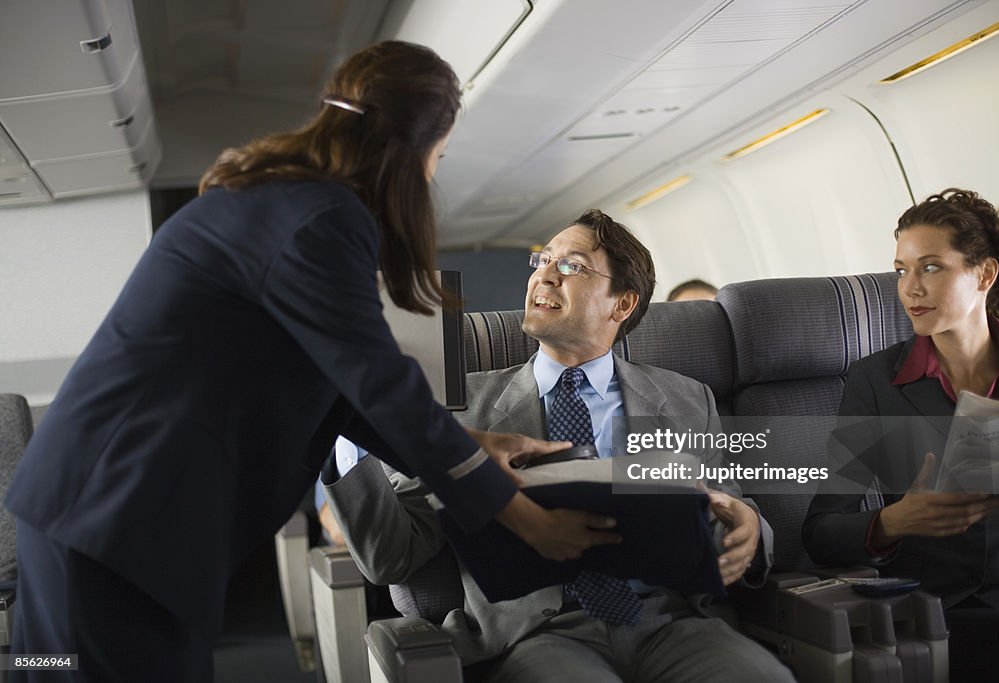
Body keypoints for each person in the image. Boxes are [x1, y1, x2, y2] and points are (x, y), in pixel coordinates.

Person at [4, 41, 614, 683]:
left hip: (90, 512)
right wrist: (523, 522)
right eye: (437, 156)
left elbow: (346, 393)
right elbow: (382, 385)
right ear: (409, 150)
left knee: (46, 666)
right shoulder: (320, 219)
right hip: (116, 522)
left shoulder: (280, 199)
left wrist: (473, 444)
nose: (432, 176)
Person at [324, 210, 794, 682]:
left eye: (572, 266)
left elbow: (727, 506)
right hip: (534, 635)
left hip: (671, 623)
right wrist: (355, 420)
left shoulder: (688, 400)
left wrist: (751, 527)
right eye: (542, 260)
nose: (544, 275)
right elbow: (392, 556)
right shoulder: (462, 411)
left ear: (622, 303)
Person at [802, 188, 999, 681]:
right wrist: (893, 522)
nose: (909, 288)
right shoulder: (875, 383)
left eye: (930, 267)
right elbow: (820, 530)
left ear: (984, 274)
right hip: (941, 610)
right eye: (902, 270)